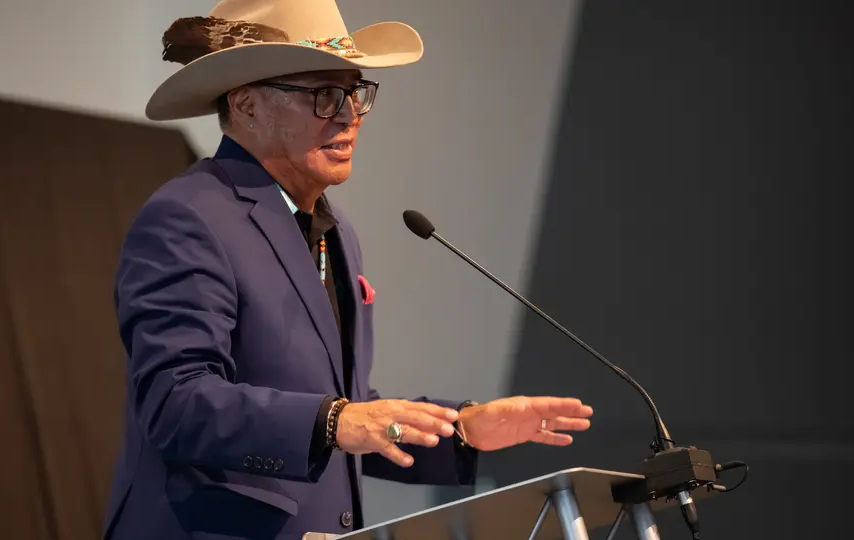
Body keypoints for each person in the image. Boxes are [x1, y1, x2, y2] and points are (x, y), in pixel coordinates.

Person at [102, 1, 594, 539]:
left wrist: (461, 429)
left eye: (355, 93)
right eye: (322, 95)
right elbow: (176, 403)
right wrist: (336, 421)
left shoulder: (335, 231)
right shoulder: (189, 217)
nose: (348, 115)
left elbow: (348, 420)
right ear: (246, 105)